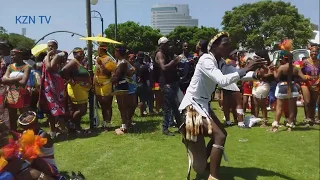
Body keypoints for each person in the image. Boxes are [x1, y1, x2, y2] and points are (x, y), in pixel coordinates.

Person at [178, 32, 265, 180]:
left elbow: (236, 74)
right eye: (225, 44)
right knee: (220, 135)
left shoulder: (220, 62)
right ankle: (213, 176)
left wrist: (256, 74)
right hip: (191, 107)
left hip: (202, 105)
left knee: (220, 136)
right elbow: (223, 81)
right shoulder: (206, 59)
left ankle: (203, 162)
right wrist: (247, 68)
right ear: (215, 46)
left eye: (229, 44)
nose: (228, 47)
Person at [17, 111, 66, 180]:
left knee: (32, 161)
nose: (25, 129)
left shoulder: (43, 135)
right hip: (35, 165)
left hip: (48, 168)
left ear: (35, 124)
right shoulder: (27, 134)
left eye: (26, 127)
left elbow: (31, 154)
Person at [271, 50, 307, 131]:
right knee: (292, 108)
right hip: (293, 87)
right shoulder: (296, 68)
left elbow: (276, 77)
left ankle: (275, 126)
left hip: (282, 87)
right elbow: (304, 78)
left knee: (279, 108)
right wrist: (296, 78)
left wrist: (273, 70)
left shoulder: (282, 67)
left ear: (284, 58)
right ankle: (290, 126)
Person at [38, 40, 67, 138]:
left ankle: (63, 129)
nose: (50, 48)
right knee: (49, 108)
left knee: (58, 106)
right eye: (48, 46)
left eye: (52, 46)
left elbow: (49, 68)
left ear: (56, 46)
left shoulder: (59, 55)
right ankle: (53, 130)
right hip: (47, 85)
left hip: (56, 85)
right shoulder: (48, 57)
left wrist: (47, 56)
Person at [155, 37, 182, 136]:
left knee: (175, 106)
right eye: (165, 44)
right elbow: (163, 67)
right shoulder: (160, 54)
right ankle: (165, 128)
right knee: (168, 107)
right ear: (161, 45)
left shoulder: (167, 53)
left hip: (172, 82)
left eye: (168, 44)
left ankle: (180, 126)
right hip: (166, 83)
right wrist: (174, 62)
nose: (167, 45)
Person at [62, 48, 92, 134]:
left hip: (81, 88)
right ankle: (72, 125)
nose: (82, 55)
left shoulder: (78, 62)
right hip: (76, 88)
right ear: (74, 54)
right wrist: (71, 81)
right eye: (80, 54)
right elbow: (63, 70)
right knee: (82, 110)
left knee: (79, 109)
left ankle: (76, 127)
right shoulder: (73, 62)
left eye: (83, 54)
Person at [2, 47, 31, 131]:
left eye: (14, 55)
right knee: (12, 115)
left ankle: (27, 132)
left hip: (23, 93)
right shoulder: (10, 67)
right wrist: (15, 79)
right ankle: (14, 133)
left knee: (24, 114)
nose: (12, 57)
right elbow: (4, 80)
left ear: (20, 55)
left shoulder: (26, 67)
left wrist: (9, 80)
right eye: (11, 55)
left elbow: (23, 82)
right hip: (12, 93)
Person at [94, 42, 116, 130]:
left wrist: (101, 64)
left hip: (106, 83)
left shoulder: (109, 59)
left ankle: (108, 123)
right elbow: (96, 72)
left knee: (107, 104)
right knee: (102, 104)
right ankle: (104, 121)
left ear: (102, 49)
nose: (97, 50)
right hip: (97, 84)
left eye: (99, 49)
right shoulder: (97, 59)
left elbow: (108, 73)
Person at [301, 46, 320, 125]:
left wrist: (319, 80)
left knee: (313, 102)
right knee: (308, 102)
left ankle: (312, 119)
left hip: (317, 84)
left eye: (316, 52)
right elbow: (299, 72)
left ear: (318, 53)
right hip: (306, 84)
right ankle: (308, 118)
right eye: (312, 51)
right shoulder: (305, 62)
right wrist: (304, 76)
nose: (314, 53)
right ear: (310, 52)